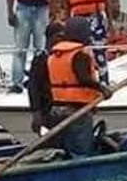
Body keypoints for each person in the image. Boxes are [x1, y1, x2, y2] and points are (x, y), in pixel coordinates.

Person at [46, 16, 113, 157]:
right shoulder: (79, 54)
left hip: (57, 109)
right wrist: (103, 89)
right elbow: (83, 79)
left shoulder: (55, 54)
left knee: (63, 149)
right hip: (77, 112)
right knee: (80, 151)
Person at [64, 0, 110, 84]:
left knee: (99, 49)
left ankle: (104, 81)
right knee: (78, 51)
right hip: (77, 18)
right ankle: (81, 81)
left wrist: (110, 22)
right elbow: (65, 0)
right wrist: (66, 21)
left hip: (96, 17)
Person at [27, 21, 65, 134]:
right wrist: (36, 112)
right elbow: (33, 87)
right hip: (45, 111)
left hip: (61, 109)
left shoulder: (61, 57)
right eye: (59, 36)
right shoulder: (41, 59)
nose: (62, 40)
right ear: (50, 37)